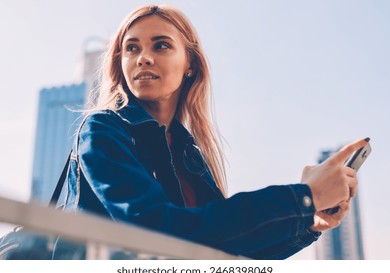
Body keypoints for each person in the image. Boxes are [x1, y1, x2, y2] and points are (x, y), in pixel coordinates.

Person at [53, 5, 369, 259]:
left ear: (190, 64)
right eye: (131, 48)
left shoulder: (189, 153)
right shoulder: (102, 131)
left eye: (161, 45)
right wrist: (302, 197)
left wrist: (310, 223)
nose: (143, 58)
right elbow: (157, 234)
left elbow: (225, 251)